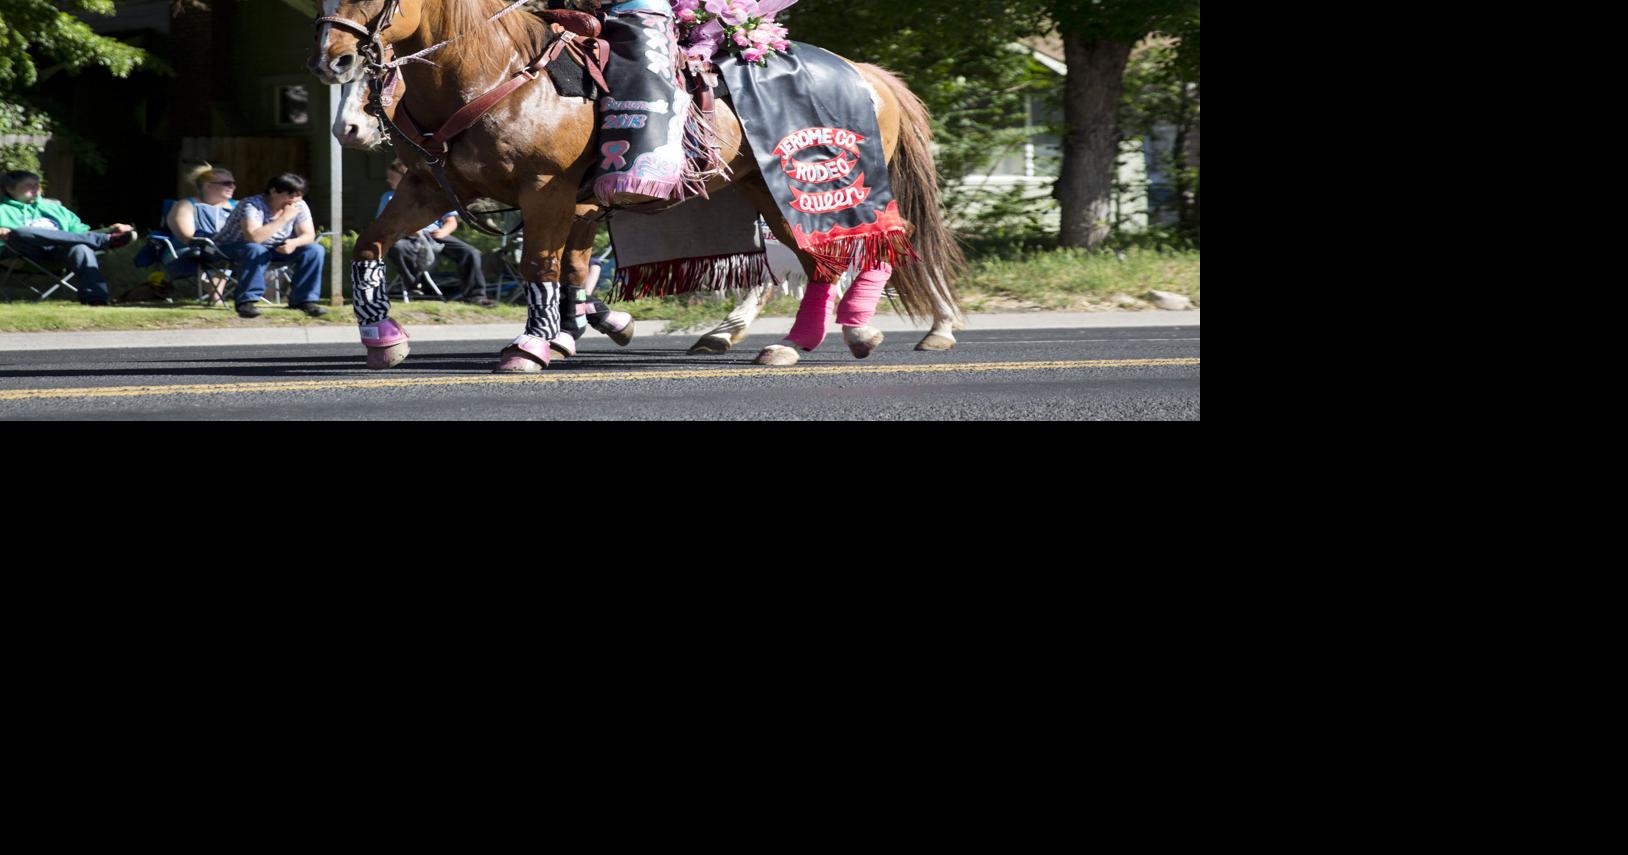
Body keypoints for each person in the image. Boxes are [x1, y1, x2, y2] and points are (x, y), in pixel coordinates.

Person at [0, 170, 137, 306]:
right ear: (10, 189)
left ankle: (96, 300)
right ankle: (103, 240)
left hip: (60, 252)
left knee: (81, 247)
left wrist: (111, 229)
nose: (36, 188)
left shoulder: (55, 209)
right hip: (24, 255)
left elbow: (81, 234)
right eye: (29, 185)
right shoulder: (2, 210)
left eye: (37, 184)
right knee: (20, 232)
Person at [379, 160, 495, 307]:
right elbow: (385, 224)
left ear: (405, 178)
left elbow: (451, 221)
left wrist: (443, 231)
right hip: (407, 236)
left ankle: (476, 295)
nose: (388, 180)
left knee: (471, 253)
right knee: (399, 249)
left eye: (392, 176)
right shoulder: (389, 198)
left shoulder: (432, 195)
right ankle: (414, 287)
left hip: (434, 234)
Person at [214, 172, 328, 318]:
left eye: (299, 195)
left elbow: (309, 235)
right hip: (232, 247)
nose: (294, 200)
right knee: (255, 249)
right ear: (273, 191)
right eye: (290, 195)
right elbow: (253, 238)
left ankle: (304, 301)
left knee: (315, 250)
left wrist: (294, 243)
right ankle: (246, 302)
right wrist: (285, 217)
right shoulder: (251, 204)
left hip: (273, 248)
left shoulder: (299, 205)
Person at [165, 165, 239, 303]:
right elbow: (187, 238)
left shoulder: (239, 206)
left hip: (230, 250)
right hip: (191, 251)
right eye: (227, 183)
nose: (233, 187)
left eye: (234, 183)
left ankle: (261, 299)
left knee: (262, 252)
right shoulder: (186, 205)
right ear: (208, 186)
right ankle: (217, 300)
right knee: (213, 253)